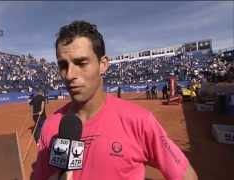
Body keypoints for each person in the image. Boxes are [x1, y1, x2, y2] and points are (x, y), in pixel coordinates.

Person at [32, 20, 197, 180]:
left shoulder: (140, 122)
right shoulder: (52, 126)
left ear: (103, 64)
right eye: (63, 66)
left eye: (81, 63)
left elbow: (186, 175)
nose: (69, 75)